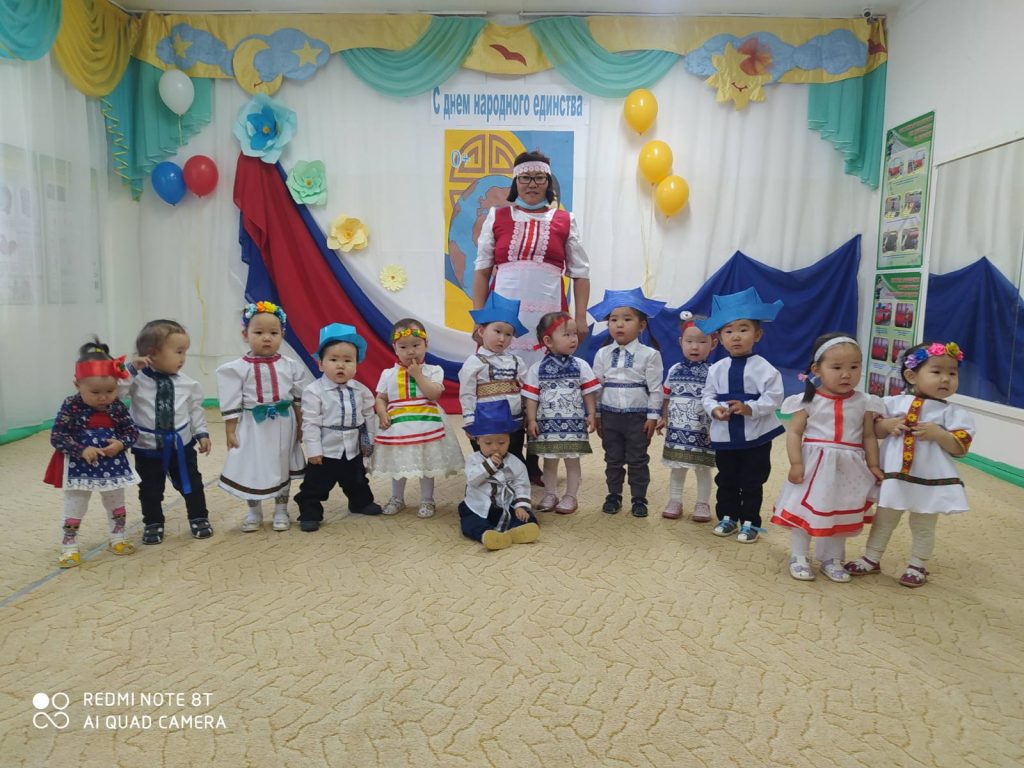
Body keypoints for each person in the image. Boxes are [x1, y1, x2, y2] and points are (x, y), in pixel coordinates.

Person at [844, 341, 974, 588]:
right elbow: (872, 430)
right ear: (911, 376)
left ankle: (918, 564)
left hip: (929, 479)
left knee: (923, 523)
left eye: (952, 373)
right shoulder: (893, 403)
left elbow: (960, 447)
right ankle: (871, 557)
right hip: (894, 477)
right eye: (936, 372)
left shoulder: (953, 413)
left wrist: (939, 434)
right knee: (884, 519)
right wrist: (886, 425)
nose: (945, 379)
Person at [770, 334, 885, 582]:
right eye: (837, 367)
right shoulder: (808, 400)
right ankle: (799, 555)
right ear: (817, 369)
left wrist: (874, 465)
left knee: (840, 510)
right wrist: (796, 463)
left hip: (850, 468)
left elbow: (868, 436)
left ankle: (832, 558)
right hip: (814, 466)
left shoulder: (865, 402)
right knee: (804, 510)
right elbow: (795, 433)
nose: (846, 374)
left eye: (854, 367)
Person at [471, 150, 591, 365]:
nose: (532, 184)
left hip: (550, 308)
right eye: (525, 178)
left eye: (539, 178)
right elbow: (482, 272)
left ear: (548, 183)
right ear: (516, 182)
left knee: (547, 369)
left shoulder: (565, 220)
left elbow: (581, 273)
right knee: (499, 370)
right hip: (502, 312)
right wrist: (478, 319)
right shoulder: (496, 216)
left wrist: (581, 317)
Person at [698, 287, 785, 543]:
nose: (736, 336)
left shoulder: (765, 369)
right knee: (726, 478)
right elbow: (707, 395)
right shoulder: (716, 369)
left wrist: (751, 409)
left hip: (756, 436)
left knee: (752, 480)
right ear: (719, 337)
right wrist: (714, 410)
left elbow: (774, 397)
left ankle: (750, 521)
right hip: (725, 435)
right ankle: (727, 516)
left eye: (743, 329)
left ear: (757, 334)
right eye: (728, 331)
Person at [44, 339, 139, 567]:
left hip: (113, 464)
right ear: (77, 385)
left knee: (116, 502)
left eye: (110, 391)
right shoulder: (71, 405)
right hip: (80, 466)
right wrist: (81, 449)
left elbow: (132, 431)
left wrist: (121, 443)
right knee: (76, 504)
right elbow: (58, 436)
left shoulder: (117, 406)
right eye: (95, 392)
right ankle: (69, 545)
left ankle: (117, 537)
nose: (103, 397)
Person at [217, 301, 310, 532]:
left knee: (281, 463)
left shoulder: (291, 366)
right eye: (258, 333)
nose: (266, 338)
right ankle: (254, 511)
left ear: (282, 335)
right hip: (252, 425)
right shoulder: (236, 369)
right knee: (252, 465)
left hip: (284, 424)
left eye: (273, 333)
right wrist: (230, 431)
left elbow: (298, 400)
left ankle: (281, 509)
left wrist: (301, 425)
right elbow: (231, 400)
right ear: (245, 335)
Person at [125, 319, 212, 544]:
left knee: (192, 483)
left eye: (185, 352)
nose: (183, 358)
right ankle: (153, 522)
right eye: (178, 352)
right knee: (150, 489)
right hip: (147, 448)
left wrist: (202, 433)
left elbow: (195, 411)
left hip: (181, 446)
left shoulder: (188, 384)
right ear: (152, 354)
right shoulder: (136, 381)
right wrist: (131, 369)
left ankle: (199, 517)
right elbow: (115, 391)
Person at [294, 324, 382, 531]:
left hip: (352, 447)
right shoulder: (314, 391)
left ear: (357, 365)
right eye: (333, 360)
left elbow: (369, 417)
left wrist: (368, 443)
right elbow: (310, 422)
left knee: (357, 479)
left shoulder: (361, 390)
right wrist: (313, 450)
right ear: (321, 364)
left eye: (348, 360)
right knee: (316, 484)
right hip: (326, 450)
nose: (340, 365)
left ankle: (360, 502)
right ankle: (310, 511)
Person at [373, 318, 464, 519]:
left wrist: (418, 376)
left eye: (416, 345)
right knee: (399, 463)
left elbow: (434, 394)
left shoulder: (434, 370)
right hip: (398, 426)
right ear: (395, 348)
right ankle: (397, 498)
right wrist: (382, 412)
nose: (410, 351)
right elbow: (381, 398)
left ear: (426, 345)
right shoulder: (388, 374)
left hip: (426, 424)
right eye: (403, 347)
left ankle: (427, 500)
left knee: (426, 463)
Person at [590, 288, 666, 518]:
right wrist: (598, 415)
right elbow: (597, 388)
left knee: (637, 459)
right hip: (610, 416)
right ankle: (613, 495)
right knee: (612, 458)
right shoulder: (602, 354)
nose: (619, 324)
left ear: (642, 325)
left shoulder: (650, 354)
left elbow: (656, 389)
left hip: (638, 418)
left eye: (627, 319)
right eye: (614, 320)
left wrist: (652, 417)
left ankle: (639, 498)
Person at [522, 311, 600, 515]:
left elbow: (588, 392)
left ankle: (571, 496)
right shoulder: (537, 369)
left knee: (572, 460)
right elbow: (532, 397)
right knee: (549, 461)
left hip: (573, 425)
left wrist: (591, 414)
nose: (573, 339)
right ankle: (550, 493)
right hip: (547, 426)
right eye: (566, 334)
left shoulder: (581, 365)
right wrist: (531, 419)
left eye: (574, 334)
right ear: (548, 341)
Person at [657, 312, 716, 522]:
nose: (695, 347)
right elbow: (666, 397)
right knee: (677, 467)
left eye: (702, 342)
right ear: (681, 342)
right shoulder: (674, 370)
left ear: (713, 343)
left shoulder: (714, 372)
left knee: (703, 468)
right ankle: (675, 500)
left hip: (703, 431)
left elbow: (717, 402)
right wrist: (663, 417)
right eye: (689, 341)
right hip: (677, 430)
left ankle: (702, 503)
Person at [459, 292, 530, 466]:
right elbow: (467, 393)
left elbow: (527, 389)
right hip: (485, 419)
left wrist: (529, 414)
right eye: (497, 331)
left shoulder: (516, 361)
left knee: (514, 454)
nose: (502, 338)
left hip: (514, 419)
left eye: (508, 334)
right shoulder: (474, 362)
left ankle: (516, 479)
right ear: (482, 331)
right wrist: (470, 421)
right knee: (486, 457)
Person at [460, 400, 540, 550]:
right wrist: (489, 465)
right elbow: (472, 479)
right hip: (478, 505)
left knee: (525, 516)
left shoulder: (515, 462)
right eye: (488, 443)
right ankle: (487, 535)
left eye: (502, 442)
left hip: (505, 504)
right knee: (471, 522)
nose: (495, 447)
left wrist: (521, 506)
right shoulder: (473, 460)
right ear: (478, 441)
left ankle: (518, 531)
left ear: (509, 440)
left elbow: (521, 484)